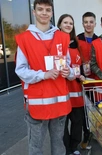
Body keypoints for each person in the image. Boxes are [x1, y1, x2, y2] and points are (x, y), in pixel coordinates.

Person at [15, 0, 75, 155]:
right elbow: (20, 70)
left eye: (47, 10)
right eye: (40, 9)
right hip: (37, 104)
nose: (44, 13)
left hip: (60, 102)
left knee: (59, 146)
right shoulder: (24, 39)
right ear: (34, 12)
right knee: (36, 148)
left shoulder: (62, 37)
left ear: (52, 13)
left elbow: (69, 66)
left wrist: (68, 72)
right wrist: (43, 74)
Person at [57, 14, 85, 155]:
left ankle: (74, 147)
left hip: (76, 90)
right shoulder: (56, 43)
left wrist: (81, 74)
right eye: (65, 22)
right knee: (62, 125)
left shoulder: (76, 43)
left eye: (71, 23)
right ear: (60, 24)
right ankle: (67, 149)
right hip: (62, 91)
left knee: (77, 122)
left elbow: (79, 66)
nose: (68, 25)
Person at [77, 12, 98, 150]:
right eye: (86, 22)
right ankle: (85, 137)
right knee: (82, 111)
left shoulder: (99, 40)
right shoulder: (77, 39)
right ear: (83, 23)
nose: (88, 24)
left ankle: (94, 133)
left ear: (95, 24)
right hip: (80, 80)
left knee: (95, 108)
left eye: (91, 22)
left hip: (95, 79)